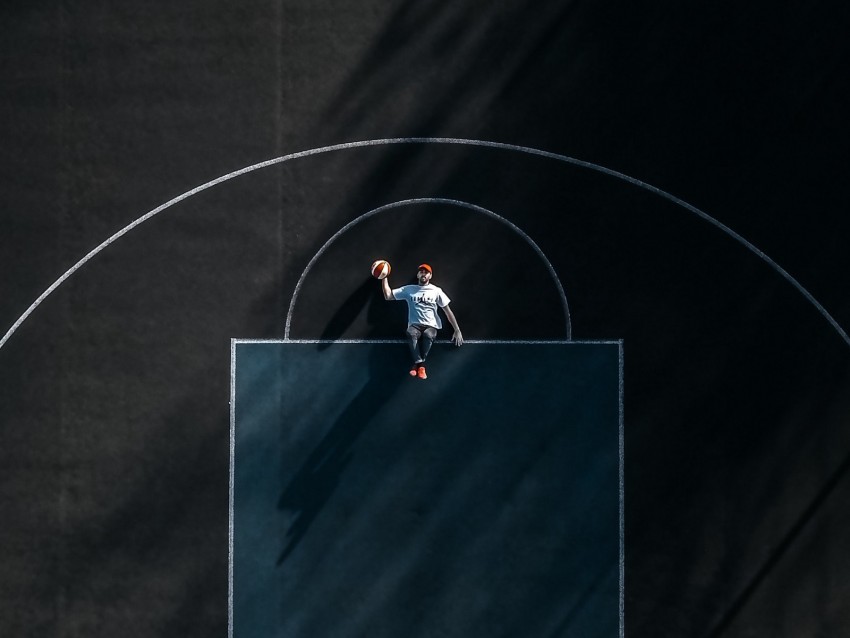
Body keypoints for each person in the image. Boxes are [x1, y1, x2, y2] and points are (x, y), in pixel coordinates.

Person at [381, 263, 463, 379]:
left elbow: (448, 311)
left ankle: (417, 365)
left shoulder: (436, 291)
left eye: (426, 272)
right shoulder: (409, 289)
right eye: (421, 271)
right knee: (410, 333)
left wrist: (457, 329)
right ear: (418, 274)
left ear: (430, 276)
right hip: (415, 325)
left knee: (429, 335)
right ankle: (421, 364)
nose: (423, 273)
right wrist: (384, 277)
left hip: (431, 325)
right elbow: (388, 296)